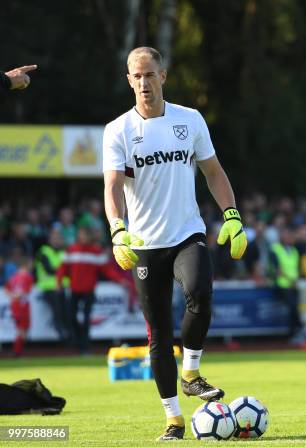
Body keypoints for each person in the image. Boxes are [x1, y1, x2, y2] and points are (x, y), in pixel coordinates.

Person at [102, 47, 247, 441]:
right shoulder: (117, 130)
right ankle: (173, 419)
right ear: (128, 80)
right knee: (159, 336)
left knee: (200, 291)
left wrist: (231, 214)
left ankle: (192, 373)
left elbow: (213, 171)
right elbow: (112, 186)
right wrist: (117, 229)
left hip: (187, 232)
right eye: (137, 76)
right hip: (145, 243)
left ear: (163, 76)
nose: (144, 83)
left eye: (150, 74)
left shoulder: (190, 119)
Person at [56, 227, 124, 354]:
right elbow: (62, 269)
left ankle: (84, 346)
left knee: (86, 319)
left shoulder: (96, 252)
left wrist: (120, 280)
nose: (83, 237)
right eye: (81, 235)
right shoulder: (71, 250)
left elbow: (108, 270)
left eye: (85, 235)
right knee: (72, 317)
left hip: (88, 290)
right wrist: (58, 283)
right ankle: (78, 342)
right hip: (75, 290)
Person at [35, 229, 70, 343]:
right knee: (58, 309)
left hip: (61, 287)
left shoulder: (63, 252)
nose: (57, 240)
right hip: (48, 288)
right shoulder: (44, 251)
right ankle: (62, 333)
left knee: (66, 310)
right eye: (54, 238)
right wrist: (62, 271)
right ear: (49, 239)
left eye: (59, 238)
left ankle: (66, 333)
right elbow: (49, 269)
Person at [5, 257, 34, 357]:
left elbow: (6, 289)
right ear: (25, 265)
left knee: (21, 329)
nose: (31, 267)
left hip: (15, 305)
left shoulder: (13, 277)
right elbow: (25, 291)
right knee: (22, 329)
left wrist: (13, 297)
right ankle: (17, 352)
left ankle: (18, 351)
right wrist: (17, 297)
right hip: (22, 305)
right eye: (30, 265)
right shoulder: (27, 277)